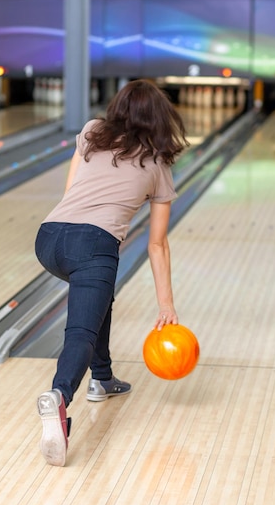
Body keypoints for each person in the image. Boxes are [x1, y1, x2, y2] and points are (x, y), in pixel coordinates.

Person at [35, 79, 189, 466]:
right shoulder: (157, 164)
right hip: (93, 246)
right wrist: (166, 305)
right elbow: (157, 244)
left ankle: (102, 378)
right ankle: (59, 398)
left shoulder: (90, 132)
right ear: (160, 118)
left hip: (49, 237)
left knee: (98, 297)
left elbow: (70, 192)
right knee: (81, 331)